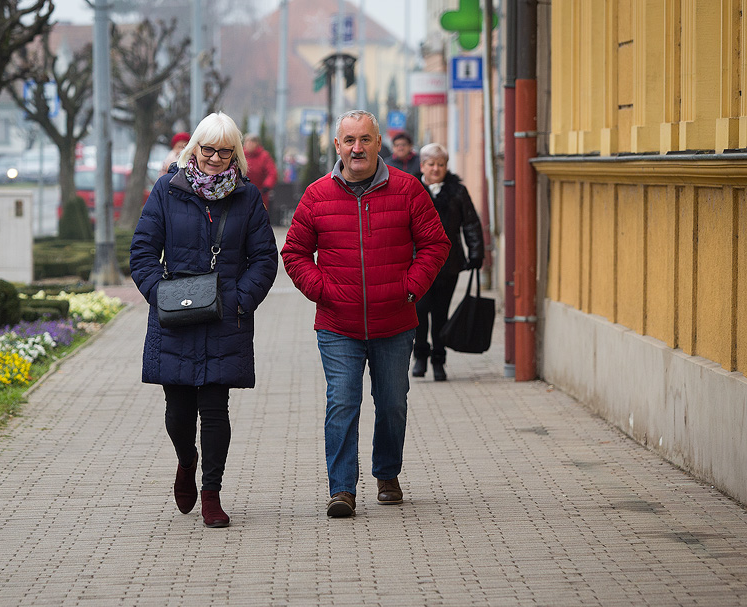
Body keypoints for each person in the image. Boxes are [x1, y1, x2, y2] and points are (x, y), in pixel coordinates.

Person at [281, 110, 450, 518]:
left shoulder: (408, 189)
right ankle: (342, 489)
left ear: (379, 144)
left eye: (366, 140)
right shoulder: (317, 195)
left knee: (392, 402)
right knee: (343, 402)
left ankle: (387, 473)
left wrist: (410, 288)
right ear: (337, 146)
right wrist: (323, 291)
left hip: (395, 321)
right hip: (338, 324)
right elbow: (294, 252)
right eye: (349, 140)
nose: (357, 148)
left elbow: (435, 244)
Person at [129, 112, 278, 528]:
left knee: (215, 410)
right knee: (177, 412)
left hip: (223, 318)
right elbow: (142, 252)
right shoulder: (166, 189)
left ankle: (211, 493)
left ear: (235, 155)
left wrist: (239, 301)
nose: (214, 158)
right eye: (207, 149)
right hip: (174, 317)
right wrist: (160, 295)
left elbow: (265, 258)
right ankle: (186, 459)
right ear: (193, 148)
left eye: (224, 151)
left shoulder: (246, 197)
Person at [412, 143, 484, 381]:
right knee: (419, 312)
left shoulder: (457, 191)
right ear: (422, 165)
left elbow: (471, 223)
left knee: (441, 314)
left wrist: (476, 252)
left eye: (440, 164)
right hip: (417, 262)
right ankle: (420, 355)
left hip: (448, 263)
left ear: (446, 167)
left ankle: (439, 360)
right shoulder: (410, 189)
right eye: (431, 164)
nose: (436, 169)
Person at [242, 133, 277, 212]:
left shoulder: (264, 156)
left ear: (257, 144)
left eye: (252, 142)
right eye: (247, 141)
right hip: (243, 191)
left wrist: (267, 186)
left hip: (260, 192)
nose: (249, 144)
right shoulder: (241, 155)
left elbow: (272, 173)